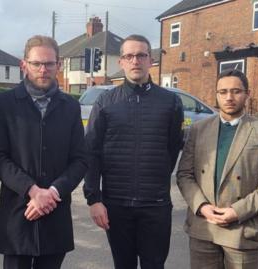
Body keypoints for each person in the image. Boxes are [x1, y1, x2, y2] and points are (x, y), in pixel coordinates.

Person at [0, 35, 87, 269]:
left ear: (58, 65)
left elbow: (80, 160)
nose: (43, 69)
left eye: (49, 63)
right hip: (18, 211)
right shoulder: (3, 103)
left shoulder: (70, 106)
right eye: (36, 63)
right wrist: (32, 191)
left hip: (55, 210)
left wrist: (51, 192)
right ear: (24, 65)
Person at [83, 34, 184, 269]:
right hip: (116, 206)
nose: (135, 61)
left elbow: (172, 149)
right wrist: (93, 199)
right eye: (129, 56)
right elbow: (92, 152)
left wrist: (155, 178)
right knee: (123, 264)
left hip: (156, 205)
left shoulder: (170, 102)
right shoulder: (105, 102)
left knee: (154, 265)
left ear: (151, 60)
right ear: (121, 62)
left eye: (141, 55)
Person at [176, 69, 258, 269]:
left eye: (236, 91)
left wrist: (237, 211)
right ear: (216, 95)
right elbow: (184, 174)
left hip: (242, 229)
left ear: (247, 94)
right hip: (204, 227)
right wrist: (201, 207)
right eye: (223, 92)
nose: (229, 97)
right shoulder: (199, 129)